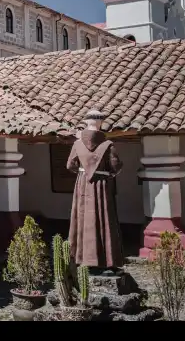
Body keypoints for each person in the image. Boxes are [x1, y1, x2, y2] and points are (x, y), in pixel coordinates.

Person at [66, 110, 123, 271]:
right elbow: (116, 166)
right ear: (100, 123)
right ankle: (106, 260)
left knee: (82, 218)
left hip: (83, 184)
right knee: (104, 217)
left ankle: (80, 258)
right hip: (102, 185)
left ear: (86, 122)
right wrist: (108, 174)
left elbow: (70, 165)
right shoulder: (108, 145)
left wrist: (83, 172)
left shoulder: (77, 144)